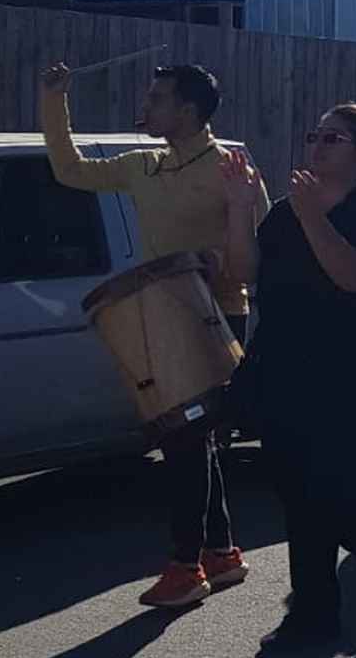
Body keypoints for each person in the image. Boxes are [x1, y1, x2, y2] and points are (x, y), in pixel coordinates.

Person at [38, 56, 269, 609]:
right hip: (156, 313)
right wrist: (53, 99)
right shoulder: (144, 164)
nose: (144, 106)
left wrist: (219, 259)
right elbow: (69, 170)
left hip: (215, 317)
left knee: (184, 441)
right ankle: (222, 553)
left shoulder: (232, 168)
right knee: (192, 439)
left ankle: (186, 568)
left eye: (157, 99)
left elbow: (261, 254)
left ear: (187, 110)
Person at [221, 104, 356, 652]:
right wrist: (238, 208)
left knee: (347, 491)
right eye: (316, 135)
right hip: (287, 368)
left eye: (334, 138)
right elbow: (243, 271)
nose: (319, 145)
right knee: (300, 495)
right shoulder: (287, 210)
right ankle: (313, 613)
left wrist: (313, 217)